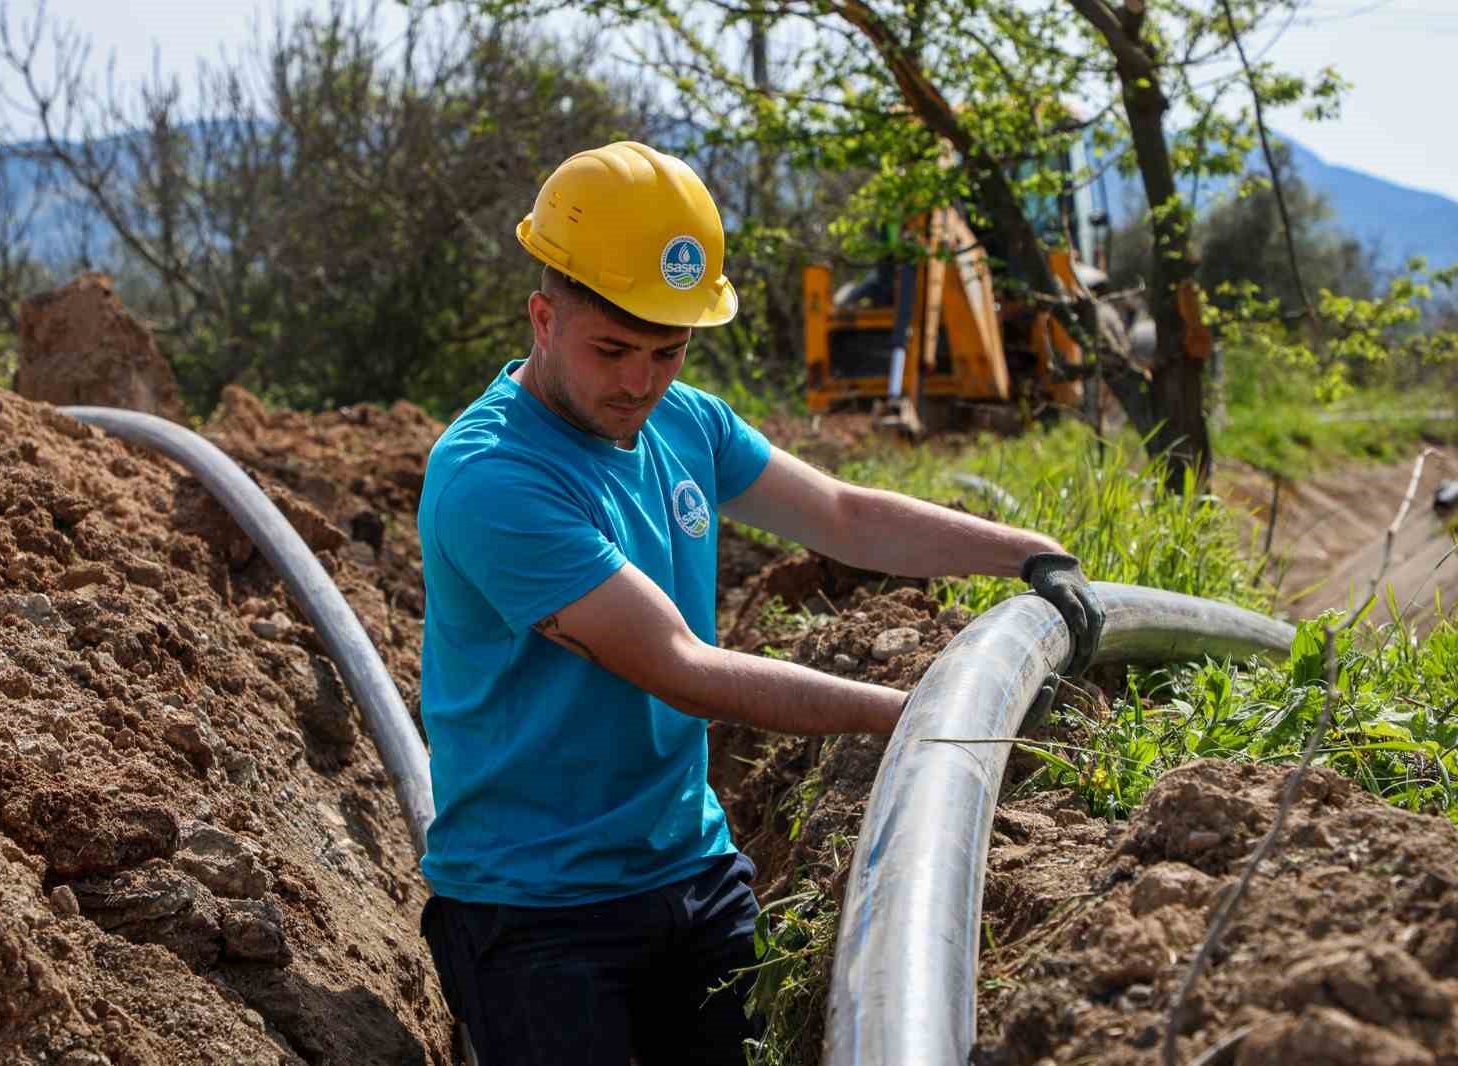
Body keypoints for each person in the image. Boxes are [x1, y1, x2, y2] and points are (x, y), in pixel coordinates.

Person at [416, 141, 1103, 1066]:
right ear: (544, 317)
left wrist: (1029, 555)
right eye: (611, 349)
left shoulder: (684, 421)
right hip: (537, 915)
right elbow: (682, 670)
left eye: (668, 350)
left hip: (691, 871)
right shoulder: (493, 477)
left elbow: (843, 515)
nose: (640, 383)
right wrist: (932, 721)